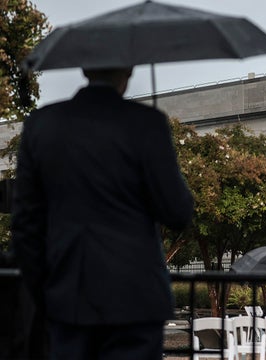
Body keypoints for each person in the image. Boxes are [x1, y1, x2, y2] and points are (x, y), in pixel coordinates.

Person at [11, 67, 194, 360]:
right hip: (135, 301)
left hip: (66, 299)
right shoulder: (146, 123)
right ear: (129, 70)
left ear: (85, 69)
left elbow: (25, 225)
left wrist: (45, 289)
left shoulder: (42, 124)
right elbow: (177, 213)